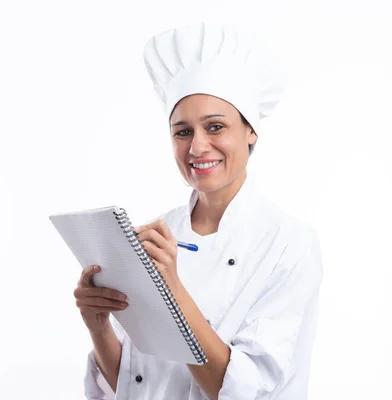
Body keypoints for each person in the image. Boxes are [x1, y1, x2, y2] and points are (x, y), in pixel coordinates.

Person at [72, 22, 323, 400]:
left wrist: (172, 288)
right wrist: (98, 324)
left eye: (216, 127)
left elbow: (242, 390)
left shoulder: (288, 244)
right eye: (183, 131)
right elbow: (134, 382)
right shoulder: (156, 234)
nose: (198, 147)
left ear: (250, 130)